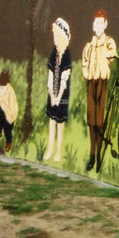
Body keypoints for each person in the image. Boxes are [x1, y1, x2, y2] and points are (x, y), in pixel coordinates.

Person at [81, 9, 116, 172]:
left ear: (105, 24)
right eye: (96, 23)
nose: (98, 25)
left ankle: (100, 154)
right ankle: (92, 154)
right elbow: (85, 61)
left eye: (101, 23)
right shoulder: (89, 45)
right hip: (91, 82)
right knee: (92, 119)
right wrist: (87, 73)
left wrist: (103, 56)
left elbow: (112, 55)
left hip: (102, 81)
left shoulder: (108, 42)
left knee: (100, 120)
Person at [44, 18, 72, 162]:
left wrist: (58, 97)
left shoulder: (66, 56)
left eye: (56, 35)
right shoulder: (54, 53)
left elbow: (64, 80)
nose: (54, 38)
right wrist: (51, 94)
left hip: (61, 94)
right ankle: (49, 148)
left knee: (60, 123)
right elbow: (50, 75)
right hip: (53, 93)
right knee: (52, 121)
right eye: (53, 35)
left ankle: (58, 151)